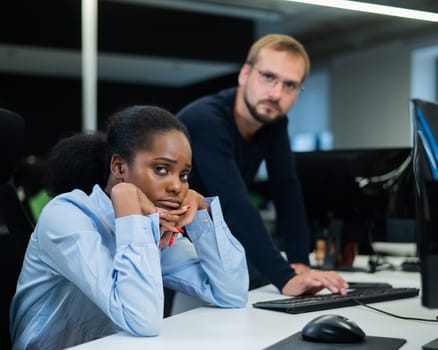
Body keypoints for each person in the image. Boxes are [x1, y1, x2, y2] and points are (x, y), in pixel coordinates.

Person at [9, 105, 249, 350]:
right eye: (161, 169)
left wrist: (201, 215)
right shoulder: (65, 215)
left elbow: (232, 293)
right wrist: (127, 206)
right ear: (119, 168)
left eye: (184, 175)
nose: (177, 186)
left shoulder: (153, 229)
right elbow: (143, 320)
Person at [177, 33, 348, 296]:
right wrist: (286, 278)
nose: (276, 94)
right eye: (268, 77)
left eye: (290, 85)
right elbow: (233, 203)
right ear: (245, 75)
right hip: (163, 236)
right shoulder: (206, 120)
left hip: (208, 237)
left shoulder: (274, 123)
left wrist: (300, 264)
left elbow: (286, 188)